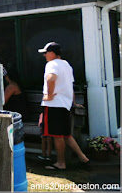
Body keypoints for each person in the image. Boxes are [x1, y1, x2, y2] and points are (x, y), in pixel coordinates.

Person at [38, 42, 90, 170]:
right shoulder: (67, 65)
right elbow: (69, 86)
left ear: (53, 53)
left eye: (46, 52)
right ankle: (83, 158)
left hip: (54, 104)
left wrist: (49, 96)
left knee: (57, 135)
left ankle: (61, 163)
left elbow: (51, 79)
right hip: (65, 105)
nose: (44, 55)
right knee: (66, 135)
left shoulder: (51, 64)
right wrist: (73, 103)